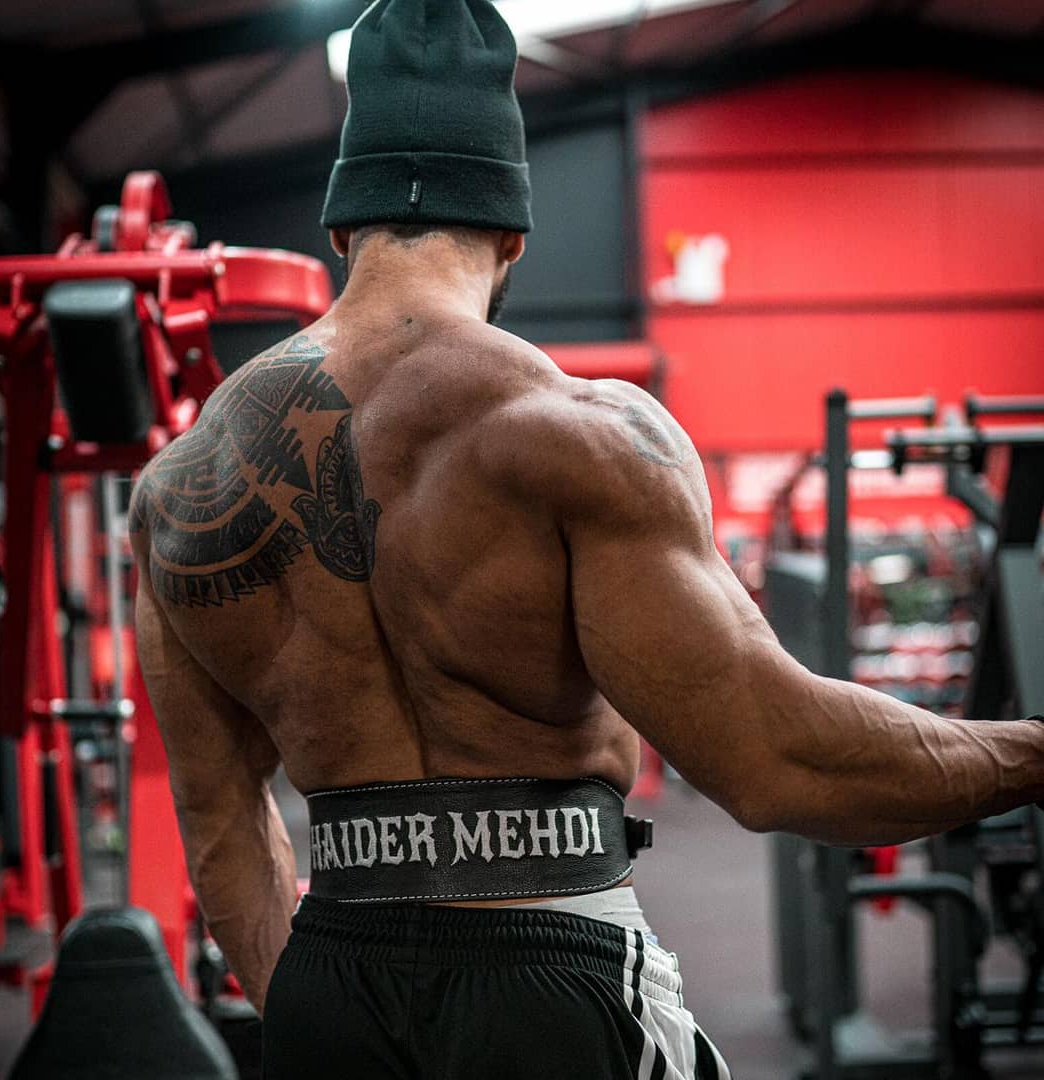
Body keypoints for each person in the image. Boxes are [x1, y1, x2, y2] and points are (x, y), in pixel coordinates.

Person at [128, 1, 1044, 1077]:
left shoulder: (180, 486)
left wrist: (328, 1026)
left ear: (342, 228)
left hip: (330, 986)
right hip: (551, 979)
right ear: (512, 230)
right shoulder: (573, 432)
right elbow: (775, 760)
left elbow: (224, 825)